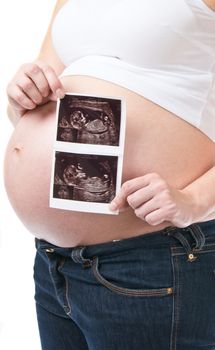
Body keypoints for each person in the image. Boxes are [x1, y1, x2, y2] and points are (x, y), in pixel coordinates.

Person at [4, 0, 215, 349]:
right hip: (54, 262)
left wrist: (195, 201)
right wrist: (22, 98)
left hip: (150, 258)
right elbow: (37, 98)